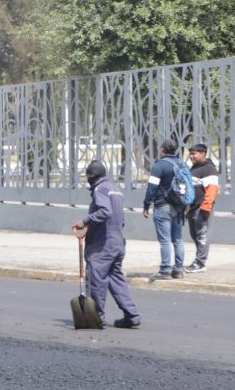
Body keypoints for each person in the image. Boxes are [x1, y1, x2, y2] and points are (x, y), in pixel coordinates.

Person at [72, 161, 141, 328]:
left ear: (90, 175)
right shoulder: (115, 189)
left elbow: (105, 211)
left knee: (96, 280)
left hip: (103, 245)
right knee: (116, 279)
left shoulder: (99, 189)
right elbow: (119, 218)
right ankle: (132, 315)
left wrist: (85, 221)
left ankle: (96, 317)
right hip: (117, 241)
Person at [142, 139, 186, 278]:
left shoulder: (159, 165)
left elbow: (152, 187)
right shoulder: (181, 164)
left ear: (162, 150)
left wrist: (146, 204)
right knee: (178, 239)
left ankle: (165, 270)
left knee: (165, 240)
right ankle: (178, 270)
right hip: (179, 206)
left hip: (163, 205)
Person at [186, 144, 219, 274]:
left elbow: (212, 189)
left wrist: (206, 207)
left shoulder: (209, 169)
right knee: (195, 236)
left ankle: (200, 262)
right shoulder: (194, 168)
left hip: (202, 208)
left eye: (195, 154)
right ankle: (199, 260)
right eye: (191, 154)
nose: (192, 156)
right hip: (192, 209)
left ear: (203, 154)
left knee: (202, 236)